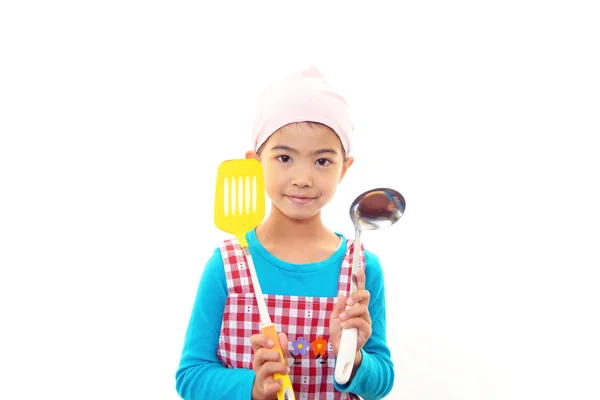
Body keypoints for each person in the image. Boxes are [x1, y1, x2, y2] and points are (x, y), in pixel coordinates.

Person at [175, 65, 394, 399]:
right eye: (284, 157)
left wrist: (353, 355)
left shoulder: (361, 269)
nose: (303, 178)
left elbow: (382, 382)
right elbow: (191, 377)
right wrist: (252, 386)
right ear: (255, 162)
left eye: (322, 161)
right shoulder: (227, 265)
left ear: (344, 168)